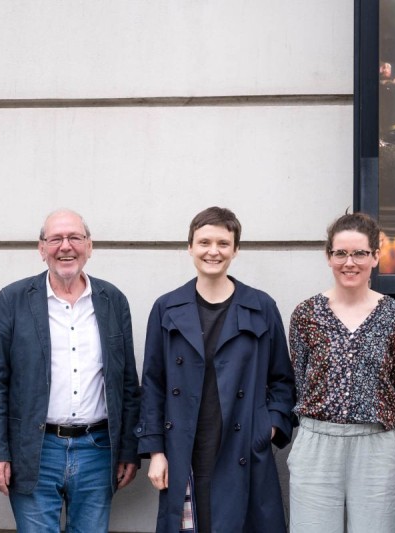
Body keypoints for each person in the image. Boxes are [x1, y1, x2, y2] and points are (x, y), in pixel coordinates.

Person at [136, 206, 295, 533]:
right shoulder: (167, 308)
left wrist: (267, 429)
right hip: (184, 451)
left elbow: (282, 380)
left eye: (223, 243)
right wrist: (156, 452)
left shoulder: (261, 307)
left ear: (235, 250)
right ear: (190, 247)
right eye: (204, 242)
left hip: (243, 450)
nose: (213, 251)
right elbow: (153, 385)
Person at [0, 209, 140, 533]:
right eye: (55, 239)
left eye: (75, 238)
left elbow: (126, 382)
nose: (65, 246)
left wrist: (129, 449)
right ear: (42, 248)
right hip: (35, 450)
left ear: (89, 246)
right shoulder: (13, 300)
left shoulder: (113, 300)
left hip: (98, 450)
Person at [288, 212, 395, 533]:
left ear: (375, 257)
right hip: (317, 442)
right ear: (328, 257)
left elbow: (393, 379)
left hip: (374, 445)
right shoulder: (306, 314)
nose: (349, 262)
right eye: (340, 253)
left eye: (359, 253)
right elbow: (300, 379)